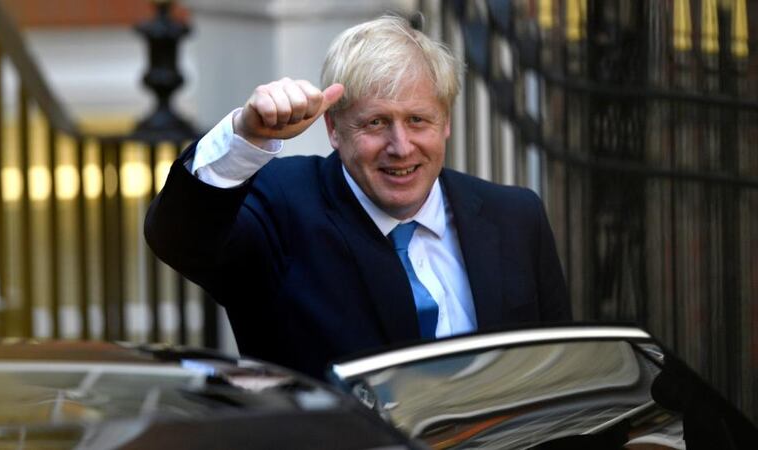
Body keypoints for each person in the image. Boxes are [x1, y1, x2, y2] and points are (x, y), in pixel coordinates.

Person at [145, 15, 571, 379]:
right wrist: (245, 135)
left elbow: (560, 377)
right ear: (334, 129)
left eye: (418, 120)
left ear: (446, 123)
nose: (400, 146)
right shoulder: (282, 205)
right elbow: (180, 240)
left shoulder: (516, 216)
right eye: (375, 123)